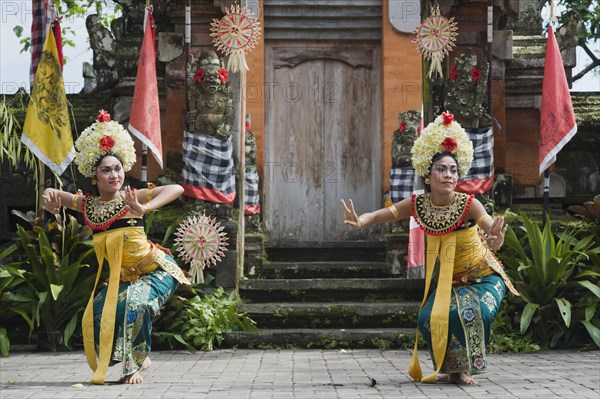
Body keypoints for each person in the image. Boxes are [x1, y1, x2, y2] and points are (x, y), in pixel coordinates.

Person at [341, 112, 518, 385]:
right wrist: (360, 220)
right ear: (427, 173)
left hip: (485, 277)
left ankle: (466, 369)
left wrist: (495, 239)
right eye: (441, 169)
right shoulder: (418, 204)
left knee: (473, 311)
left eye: (453, 170)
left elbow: (487, 224)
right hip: (451, 282)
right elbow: (385, 214)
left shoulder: (469, 203)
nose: (448, 174)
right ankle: (450, 367)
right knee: (427, 317)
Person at [42, 110, 191, 385]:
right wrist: (48, 197)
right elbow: (55, 196)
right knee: (98, 315)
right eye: (106, 170)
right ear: (94, 177)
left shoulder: (131, 197)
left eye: (118, 169)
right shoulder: (87, 205)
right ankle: (136, 358)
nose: (114, 174)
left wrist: (145, 207)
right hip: (119, 281)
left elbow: (176, 188)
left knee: (138, 304)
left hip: (155, 270)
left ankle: (132, 367)